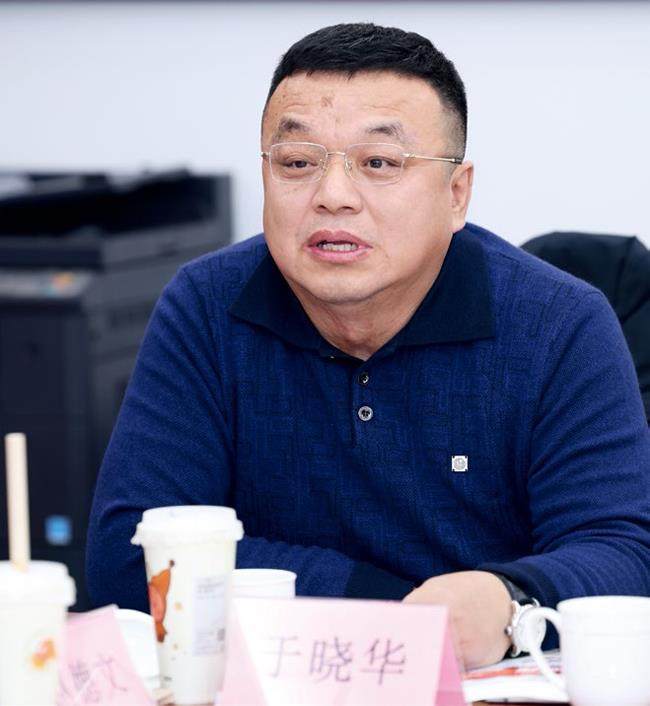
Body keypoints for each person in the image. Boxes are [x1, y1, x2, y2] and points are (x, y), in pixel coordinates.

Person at [86, 23, 650, 669]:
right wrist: (393, 613)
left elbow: (624, 554)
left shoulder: (559, 323)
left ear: (456, 193)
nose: (332, 196)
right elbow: (131, 554)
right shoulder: (206, 306)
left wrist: (508, 600)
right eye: (297, 163)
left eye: (379, 163)